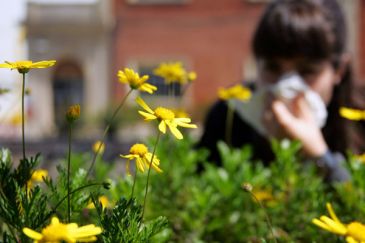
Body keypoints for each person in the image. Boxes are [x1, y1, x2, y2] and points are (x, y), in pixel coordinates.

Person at [197, 0, 365, 182]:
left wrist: (319, 157)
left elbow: (355, 206)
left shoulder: (361, 117)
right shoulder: (229, 114)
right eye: (272, 68)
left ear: (339, 70)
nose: (286, 85)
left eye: (307, 71)